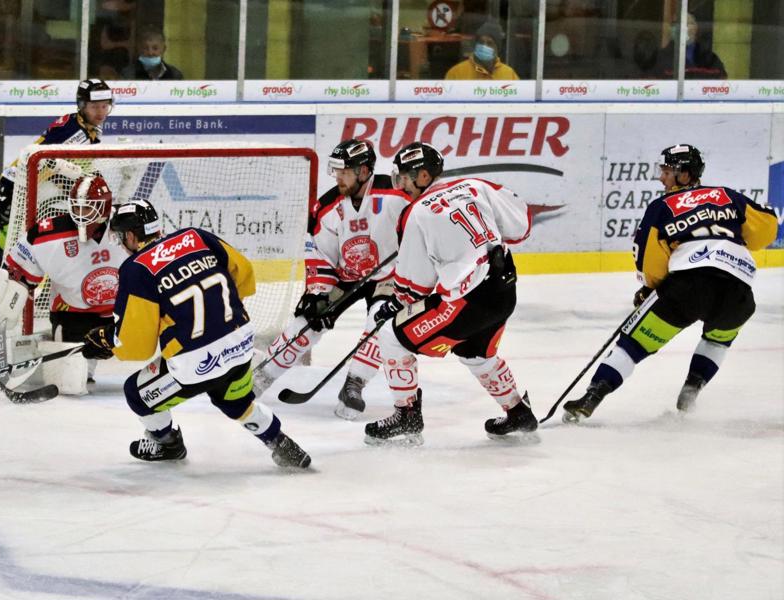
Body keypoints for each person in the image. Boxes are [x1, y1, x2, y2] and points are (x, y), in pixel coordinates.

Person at [80, 199, 311, 468]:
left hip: (195, 366)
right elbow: (245, 274)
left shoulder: (136, 268)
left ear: (131, 235)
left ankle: (167, 444)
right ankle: (279, 442)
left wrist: (110, 341)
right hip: (240, 346)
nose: (121, 243)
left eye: (121, 237)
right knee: (234, 402)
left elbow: (137, 346)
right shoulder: (196, 236)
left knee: (135, 393)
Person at [562, 145, 777, 422]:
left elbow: (649, 257)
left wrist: (650, 288)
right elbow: (766, 228)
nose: (661, 178)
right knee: (718, 340)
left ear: (685, 175)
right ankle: (691, 391)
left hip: (687, 288)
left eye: (667, 172)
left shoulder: (662, 206)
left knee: (632, 345)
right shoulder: (726, 195)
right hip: (738, 293)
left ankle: (592, 397)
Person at [364, 142, 538, 445]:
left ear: (423, 176)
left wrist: (394, 304)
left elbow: (415, 286)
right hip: (503, 290)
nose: (401, 185)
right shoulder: (475, 185)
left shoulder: (415, 213)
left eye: (405, 177)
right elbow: (521, 226)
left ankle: (406, 415)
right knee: (474, 351)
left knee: (392, 336)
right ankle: (518, 411)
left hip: (467, 301)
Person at [254, 139, 411, 420]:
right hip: (345, 277)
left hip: (388, 276)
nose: (338, 177)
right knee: (308, 322)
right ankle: (263, 376)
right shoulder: (327, 207)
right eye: (336, 170)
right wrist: (318, 293)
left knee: (380, 322)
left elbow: (424, 223)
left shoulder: (397, 195)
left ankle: (354, 383)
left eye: (345, 171)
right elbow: (320, 254)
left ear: (364, 172)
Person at [0, 79, 114, 313]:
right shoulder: (75, 132)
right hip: (32, 197)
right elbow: (33, 157)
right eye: (94, 107)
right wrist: (7, 191)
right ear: (82, 105)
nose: (100, 112)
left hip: (41, 197)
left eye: (105, 106)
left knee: (16, 246)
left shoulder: (81, 126)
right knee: (13, 249)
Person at [0, 173, 126, 394]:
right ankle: (78, 364)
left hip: (127, 313)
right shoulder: (47, 234)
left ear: (104, 208)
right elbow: (16, 275)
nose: (80, 215)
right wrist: (3, 304)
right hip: (75, 314)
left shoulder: (127, 225)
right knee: (69, 383)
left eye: (87, 208)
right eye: (76, 207)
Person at [658, 13, 728, 79]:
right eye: (674, 23)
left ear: (695, 28)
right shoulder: (660, 57)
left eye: (685, 23)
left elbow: (721, 81)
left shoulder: (709, 58)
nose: (679, 27)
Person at [445, 21, 519, 81]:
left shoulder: (509, 75)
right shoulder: (456, 73)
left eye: (490, 43)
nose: (484, 46)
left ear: (497, 48)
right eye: (481, 42)